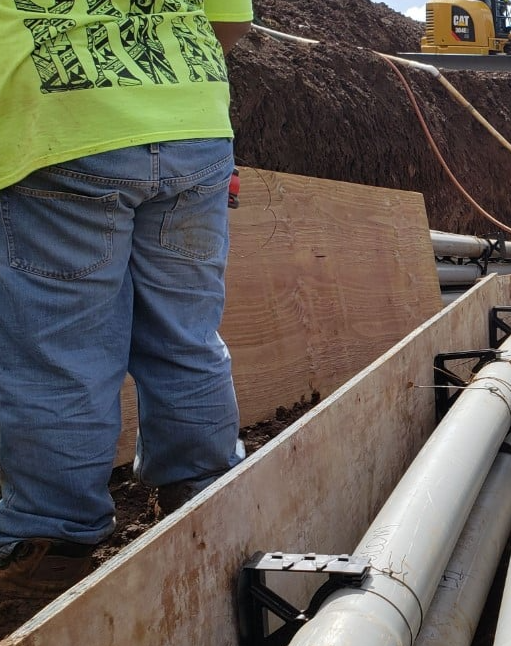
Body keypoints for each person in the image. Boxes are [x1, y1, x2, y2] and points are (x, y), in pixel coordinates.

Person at [0, 0, 252, 598]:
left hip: (62, 126)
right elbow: (232, 20)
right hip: (193, 124)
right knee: (186, 337)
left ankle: (51, 536)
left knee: (59, 355)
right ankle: (207, 496)